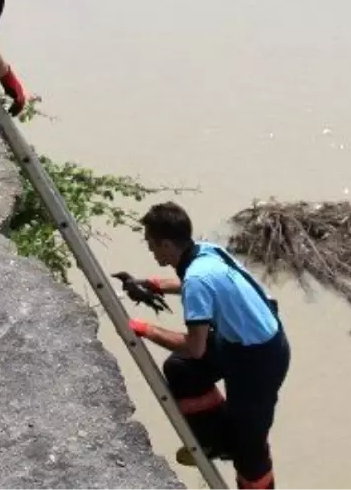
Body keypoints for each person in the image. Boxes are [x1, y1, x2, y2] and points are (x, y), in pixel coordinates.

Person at [120, 202, 290, 490]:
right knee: (182, 369)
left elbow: (194, 347)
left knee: (250, 450)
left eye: (151, 244)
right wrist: (152, 284)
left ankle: (240, 455)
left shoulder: (197, 279)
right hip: (238, 340)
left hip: (259, 360)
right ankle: (216, 440)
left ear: (166, 244)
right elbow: (194, 283)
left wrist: (144, 329)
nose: (150, 250)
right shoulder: (206, 252)